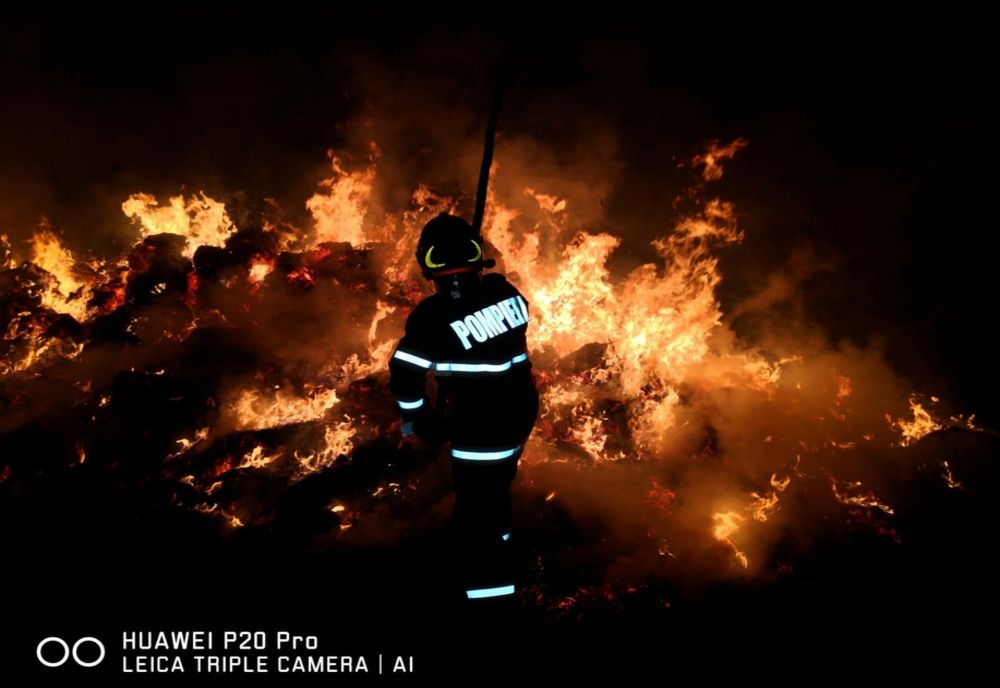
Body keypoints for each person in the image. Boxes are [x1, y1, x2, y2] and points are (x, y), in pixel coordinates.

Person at [389, 213, 539, 601]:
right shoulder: (507, 294)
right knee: (496, 491)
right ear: (480, 258)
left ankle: (491, 601)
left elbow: (405, 376)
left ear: (427, 266)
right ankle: (503, 541)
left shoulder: (430, 317)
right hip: (518, 414)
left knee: (476, 517)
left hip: (478, 428)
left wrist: (422, 421)